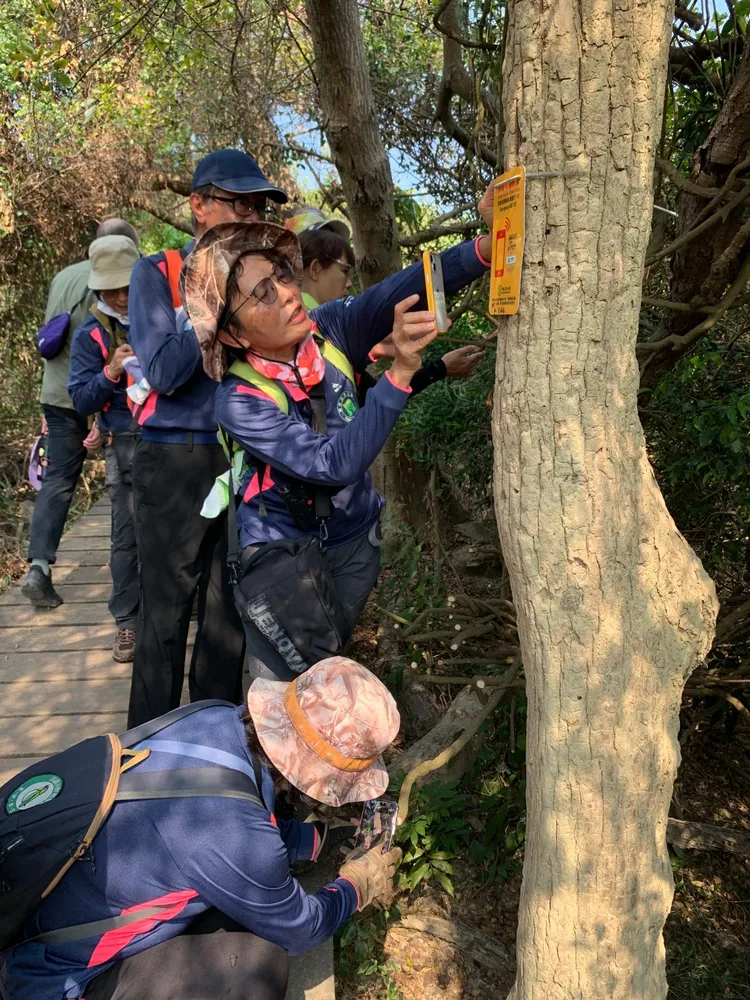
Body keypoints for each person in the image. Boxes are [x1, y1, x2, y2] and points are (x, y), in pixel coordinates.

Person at [181, 178, 496, 682]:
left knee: (326, 666)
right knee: (282, 692)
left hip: (354, 545)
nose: (287, 293)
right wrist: (401, 373)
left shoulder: (330, 330)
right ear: (231, 332)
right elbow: (332, 464)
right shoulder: (240, 400)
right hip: (282, 558)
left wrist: (485, 247)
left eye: (283, 275)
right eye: (262, 292)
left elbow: (400, 288)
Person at [0, 657, 402, 1000]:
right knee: (254, 968)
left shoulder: (212, 716)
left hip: (41, 901)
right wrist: (355, 886)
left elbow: (230, 814)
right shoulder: (235, 836)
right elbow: (301, 928)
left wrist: (318, 840)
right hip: (49, 975)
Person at [126, 149, 289, 727]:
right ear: (198, 205)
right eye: (236, 201)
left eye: (256, 205)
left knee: (226, 618)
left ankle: (213, 748)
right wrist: (211, 296)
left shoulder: (264, 283)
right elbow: (165, 373)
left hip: (242, 458)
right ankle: (144, 753)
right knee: (164, 618)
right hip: (174, 460)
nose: (248, 215)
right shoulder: (158, 272)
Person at [21, 219, 139, 610]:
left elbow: (51, 335)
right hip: (98, 388)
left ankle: (39, 566)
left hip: (57, 392)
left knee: (57, 478)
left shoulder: (62, 277)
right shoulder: (106, 289)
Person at [296, 225, 485, 393]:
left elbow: (374, 399)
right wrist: (482, 252)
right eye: (344, 271)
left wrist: (439, 368)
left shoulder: (296, 334)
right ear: (315, 269)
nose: (348, 284)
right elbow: (397, 291)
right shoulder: (331, 322)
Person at [67, 235, 141, 663]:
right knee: (126, 536)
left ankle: (164, 611)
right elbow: (80, 399)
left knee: (168, 532)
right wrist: (112, 370)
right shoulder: (90, 334)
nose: (120, 296)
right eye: (111, 288)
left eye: (127, 286)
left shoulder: (159, 318)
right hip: (122, 441)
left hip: (166, 439)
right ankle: (127, 622)